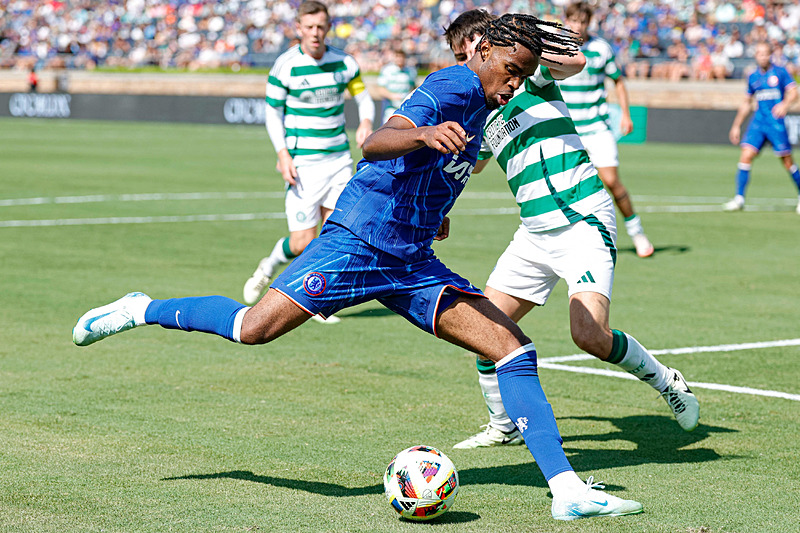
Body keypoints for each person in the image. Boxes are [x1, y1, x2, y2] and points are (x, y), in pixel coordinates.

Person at [73, 14, 644, 521]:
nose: (514, 85)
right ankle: (140, 308)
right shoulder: (451, 84)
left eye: (524, 75)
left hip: (411, 258)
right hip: (360, 240)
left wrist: (435, 210)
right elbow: (375, 143)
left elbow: (441, 168)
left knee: (513, 350)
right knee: (253, 328)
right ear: (483, 52)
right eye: (511, 71)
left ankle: (566, 490)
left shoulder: (490, 105)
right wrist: (420, 132)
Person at [443, 10, 699, 451]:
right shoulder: (480, 112)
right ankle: (503, 425)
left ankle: (666, 381)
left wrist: (534, 39)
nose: (465, 64)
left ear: (488, 46)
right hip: (534, 233)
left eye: (469, 52)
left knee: (589, 336)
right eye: (456, 57)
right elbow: (466, 169)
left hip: (582, 220)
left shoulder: (531, 78)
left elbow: (574, 63)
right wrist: (440, 205)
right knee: (483, 330)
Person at [242, 1, 375, 319]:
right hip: (303, 164)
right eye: (310, 27)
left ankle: (315, 298)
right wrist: (282, 153)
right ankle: (269, 265)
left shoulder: (344, 62)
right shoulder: (286, 65)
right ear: (299, 28)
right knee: (303, 241)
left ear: (328, 28)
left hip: (339, 161)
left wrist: (367, 122)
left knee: (334, 236)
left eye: (321, 27)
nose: (316, 33)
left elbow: (364, 97)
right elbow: (272, 113)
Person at [560, 2, 654, 258]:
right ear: (566, 20)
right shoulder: (555, 48)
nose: (577, 26)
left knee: (611, 181)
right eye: (573, 21)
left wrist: (625, 113)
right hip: (567, 131)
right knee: (568, 187)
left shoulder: (601, 49)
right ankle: (574, 240)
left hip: (596, 126)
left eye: (582, 22)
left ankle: (637, 232)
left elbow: (618, 81)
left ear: (589, 23)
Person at [724, 41, 800, 214]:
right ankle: (739, 198)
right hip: (758, 123)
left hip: (776, 123)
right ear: (756, 55)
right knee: (746, 155)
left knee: (787, 161)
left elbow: (794, 92)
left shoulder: (780, 72)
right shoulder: (753, 77)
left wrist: (785, 105)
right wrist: (736, 126)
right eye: (759, 53)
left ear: (770, 55)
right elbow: (746, 103)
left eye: (765, 53)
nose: (763, 56)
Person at [375, 49, 417, 124]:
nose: (400, 59)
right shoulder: (387, 70)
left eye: (402, 57)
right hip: (391, 108)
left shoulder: (411, 71)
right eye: (398, 57)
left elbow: (413, 88)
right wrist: (392, 96)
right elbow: (380, 89)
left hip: (406, 109)